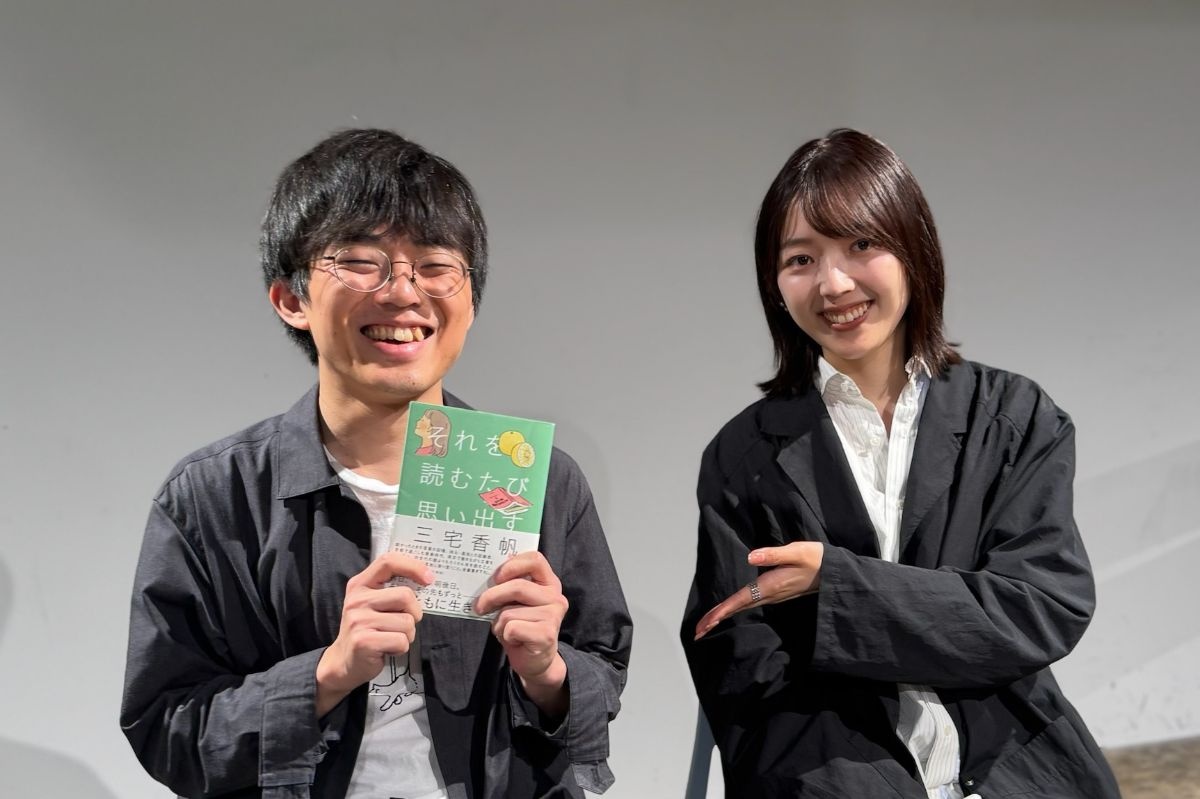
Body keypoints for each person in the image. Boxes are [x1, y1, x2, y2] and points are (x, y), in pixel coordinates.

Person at [121, 129, 632, 799]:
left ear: (470, 299)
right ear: (292, 299)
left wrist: (547, 671)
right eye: (362, 261)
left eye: (435, 265)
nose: (402, 292)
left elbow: (602, 674)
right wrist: (328, 672)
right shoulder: (213, 496)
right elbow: (166, 728)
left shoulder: (542, 481)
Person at [681, 129, 1120, 798]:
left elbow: (1040, 605)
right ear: (775, 284)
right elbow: (741, 666)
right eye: (801, 259)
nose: (833, 283)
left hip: (1017, 768)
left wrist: (836, 584)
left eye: (862, 244)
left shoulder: (1014, 417)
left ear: (914, 249)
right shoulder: (744, 456)